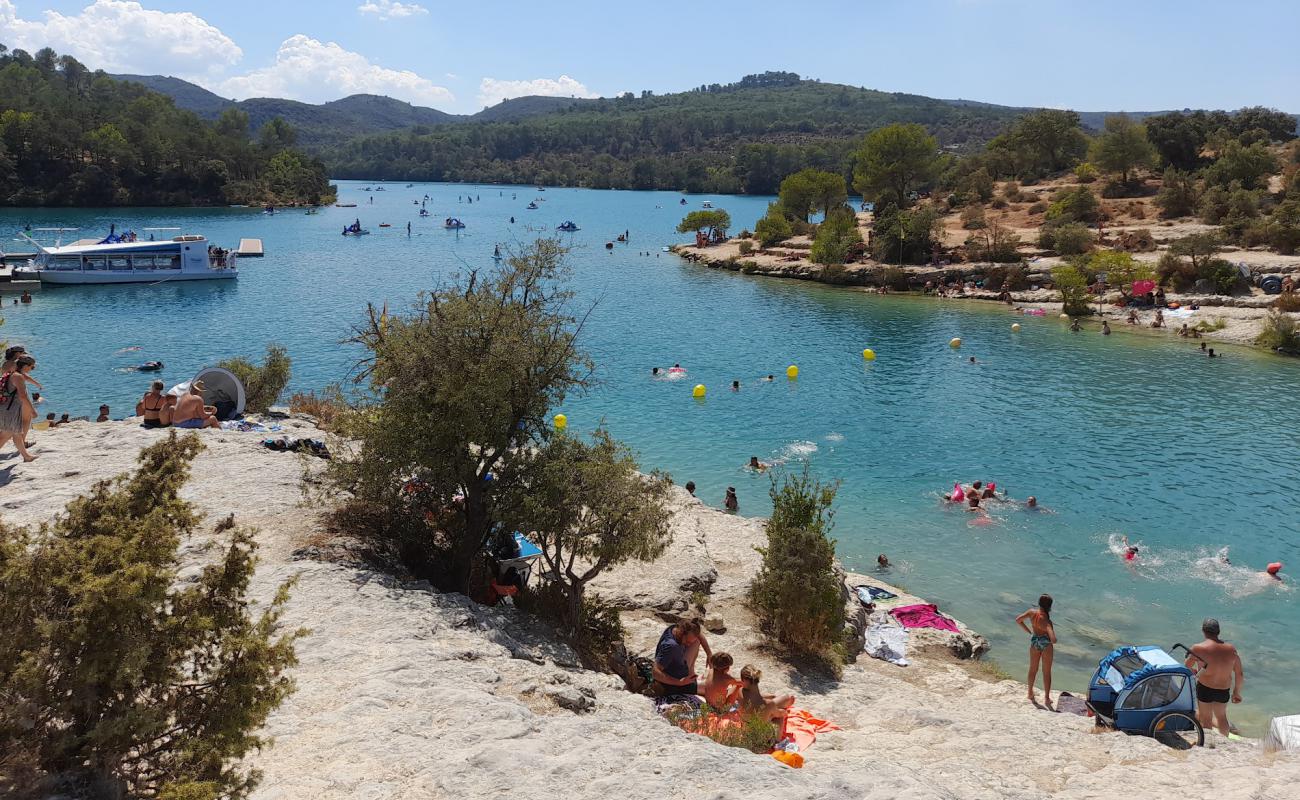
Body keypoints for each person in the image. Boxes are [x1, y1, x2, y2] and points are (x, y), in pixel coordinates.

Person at [1186, 618, 1243, 737]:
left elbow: (1187, 666)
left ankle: (1209, 744)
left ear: (1203, 631)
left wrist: (1196, 671)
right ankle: (1225, 742)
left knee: (1206, 719)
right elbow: (1239, 673)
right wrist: (1236, 692)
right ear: (1218, 632)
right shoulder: (1231, 649)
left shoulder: (1198, 648)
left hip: (1205, 687)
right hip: (1223, 689)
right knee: (1222, 718)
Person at [1015, 594, 1057, 708]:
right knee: (1046, 672)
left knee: (1033, 669)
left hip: (1034, 642)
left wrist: (1028, 631)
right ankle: (1047, 698)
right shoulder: (1047, 621)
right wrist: (1052, 635)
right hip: (1045, 645)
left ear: (1039, 603)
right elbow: (1053, 640)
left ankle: (1030, 693)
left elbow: (1018, 620)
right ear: (1050, 607)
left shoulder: (1031, 613)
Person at [652, 619, 710, 696]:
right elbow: (655, 673)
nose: (688, 645)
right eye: (687, 642)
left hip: (678, 666)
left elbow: (698, 634)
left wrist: (709, 653)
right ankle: (691, 681)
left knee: (696, 640)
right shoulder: (671, 646)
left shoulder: (676, 628)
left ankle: (691, 674)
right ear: (681, 633)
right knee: (711, 689)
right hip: (673, 683)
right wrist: (679, 683)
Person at [0, 355, 39, 461]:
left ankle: (26, 457)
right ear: (25, 365)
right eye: (32, 367)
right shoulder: (18, 377)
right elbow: (23, 396)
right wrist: (32, 410)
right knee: (7, 434)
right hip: (11, 410)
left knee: (15, 433)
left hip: (7, 408)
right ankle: (26, 456)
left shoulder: (12, 373)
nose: (32, 369)